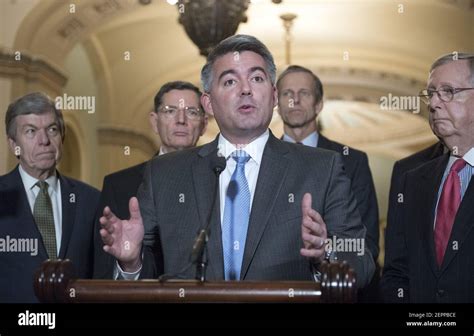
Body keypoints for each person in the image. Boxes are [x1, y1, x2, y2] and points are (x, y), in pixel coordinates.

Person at [99, 34, 375, 287]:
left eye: (256, 79)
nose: (245, 90)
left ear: (274, 95)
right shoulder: (164, 173)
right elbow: (149, 281)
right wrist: (130, 262)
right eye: (230, 81)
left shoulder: (322, 168)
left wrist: (326, 251)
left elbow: (362, 266)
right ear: (208, 103)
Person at [382, 53, 474, 303]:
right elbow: (396, 272)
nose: (433, 103)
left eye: (448, 91)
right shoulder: (411, 180)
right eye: (431, 93)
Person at [93, 81, 208, 279]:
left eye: (191, 112)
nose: (181, 120)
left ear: (204, 124)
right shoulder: (118, 185)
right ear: (154, 122)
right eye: (170, 111)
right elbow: (103, 272)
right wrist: (130, 264)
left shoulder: (220, 177)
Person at [0, 92, 99, 302]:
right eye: (31, 131)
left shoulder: (90, 200)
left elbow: (101, 275)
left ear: (61, 137)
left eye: (52, 129)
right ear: (12, 144)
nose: (44, 140)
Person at [276, 65, 380, 267]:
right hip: (274, 288)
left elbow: (366, 243)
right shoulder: (260, 159)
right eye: (287, 93)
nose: (294, 100)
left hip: (333, 288)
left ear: (319, 105)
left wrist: (328, 252)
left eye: (304, 93)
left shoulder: (352, 161)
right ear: (277, 105)